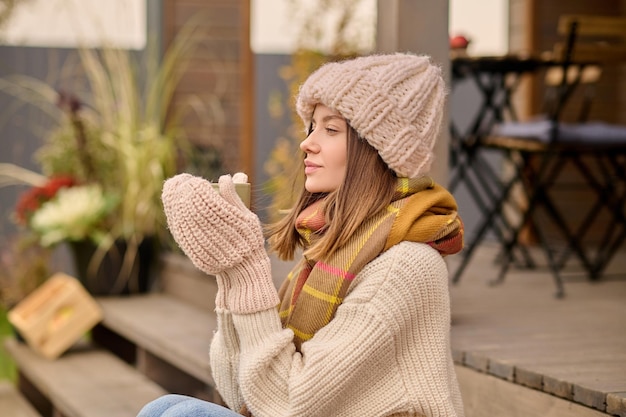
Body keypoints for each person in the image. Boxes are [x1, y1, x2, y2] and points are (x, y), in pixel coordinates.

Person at [138, 52, 465, 417]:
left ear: (376, 151)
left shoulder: (404, 266)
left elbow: (287, 405)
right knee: (163, 407)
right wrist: (230, 272)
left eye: (331, 129)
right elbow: (238, 391)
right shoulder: (331, 253)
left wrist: (249, 270)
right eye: (312, 126)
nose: (307, 143)